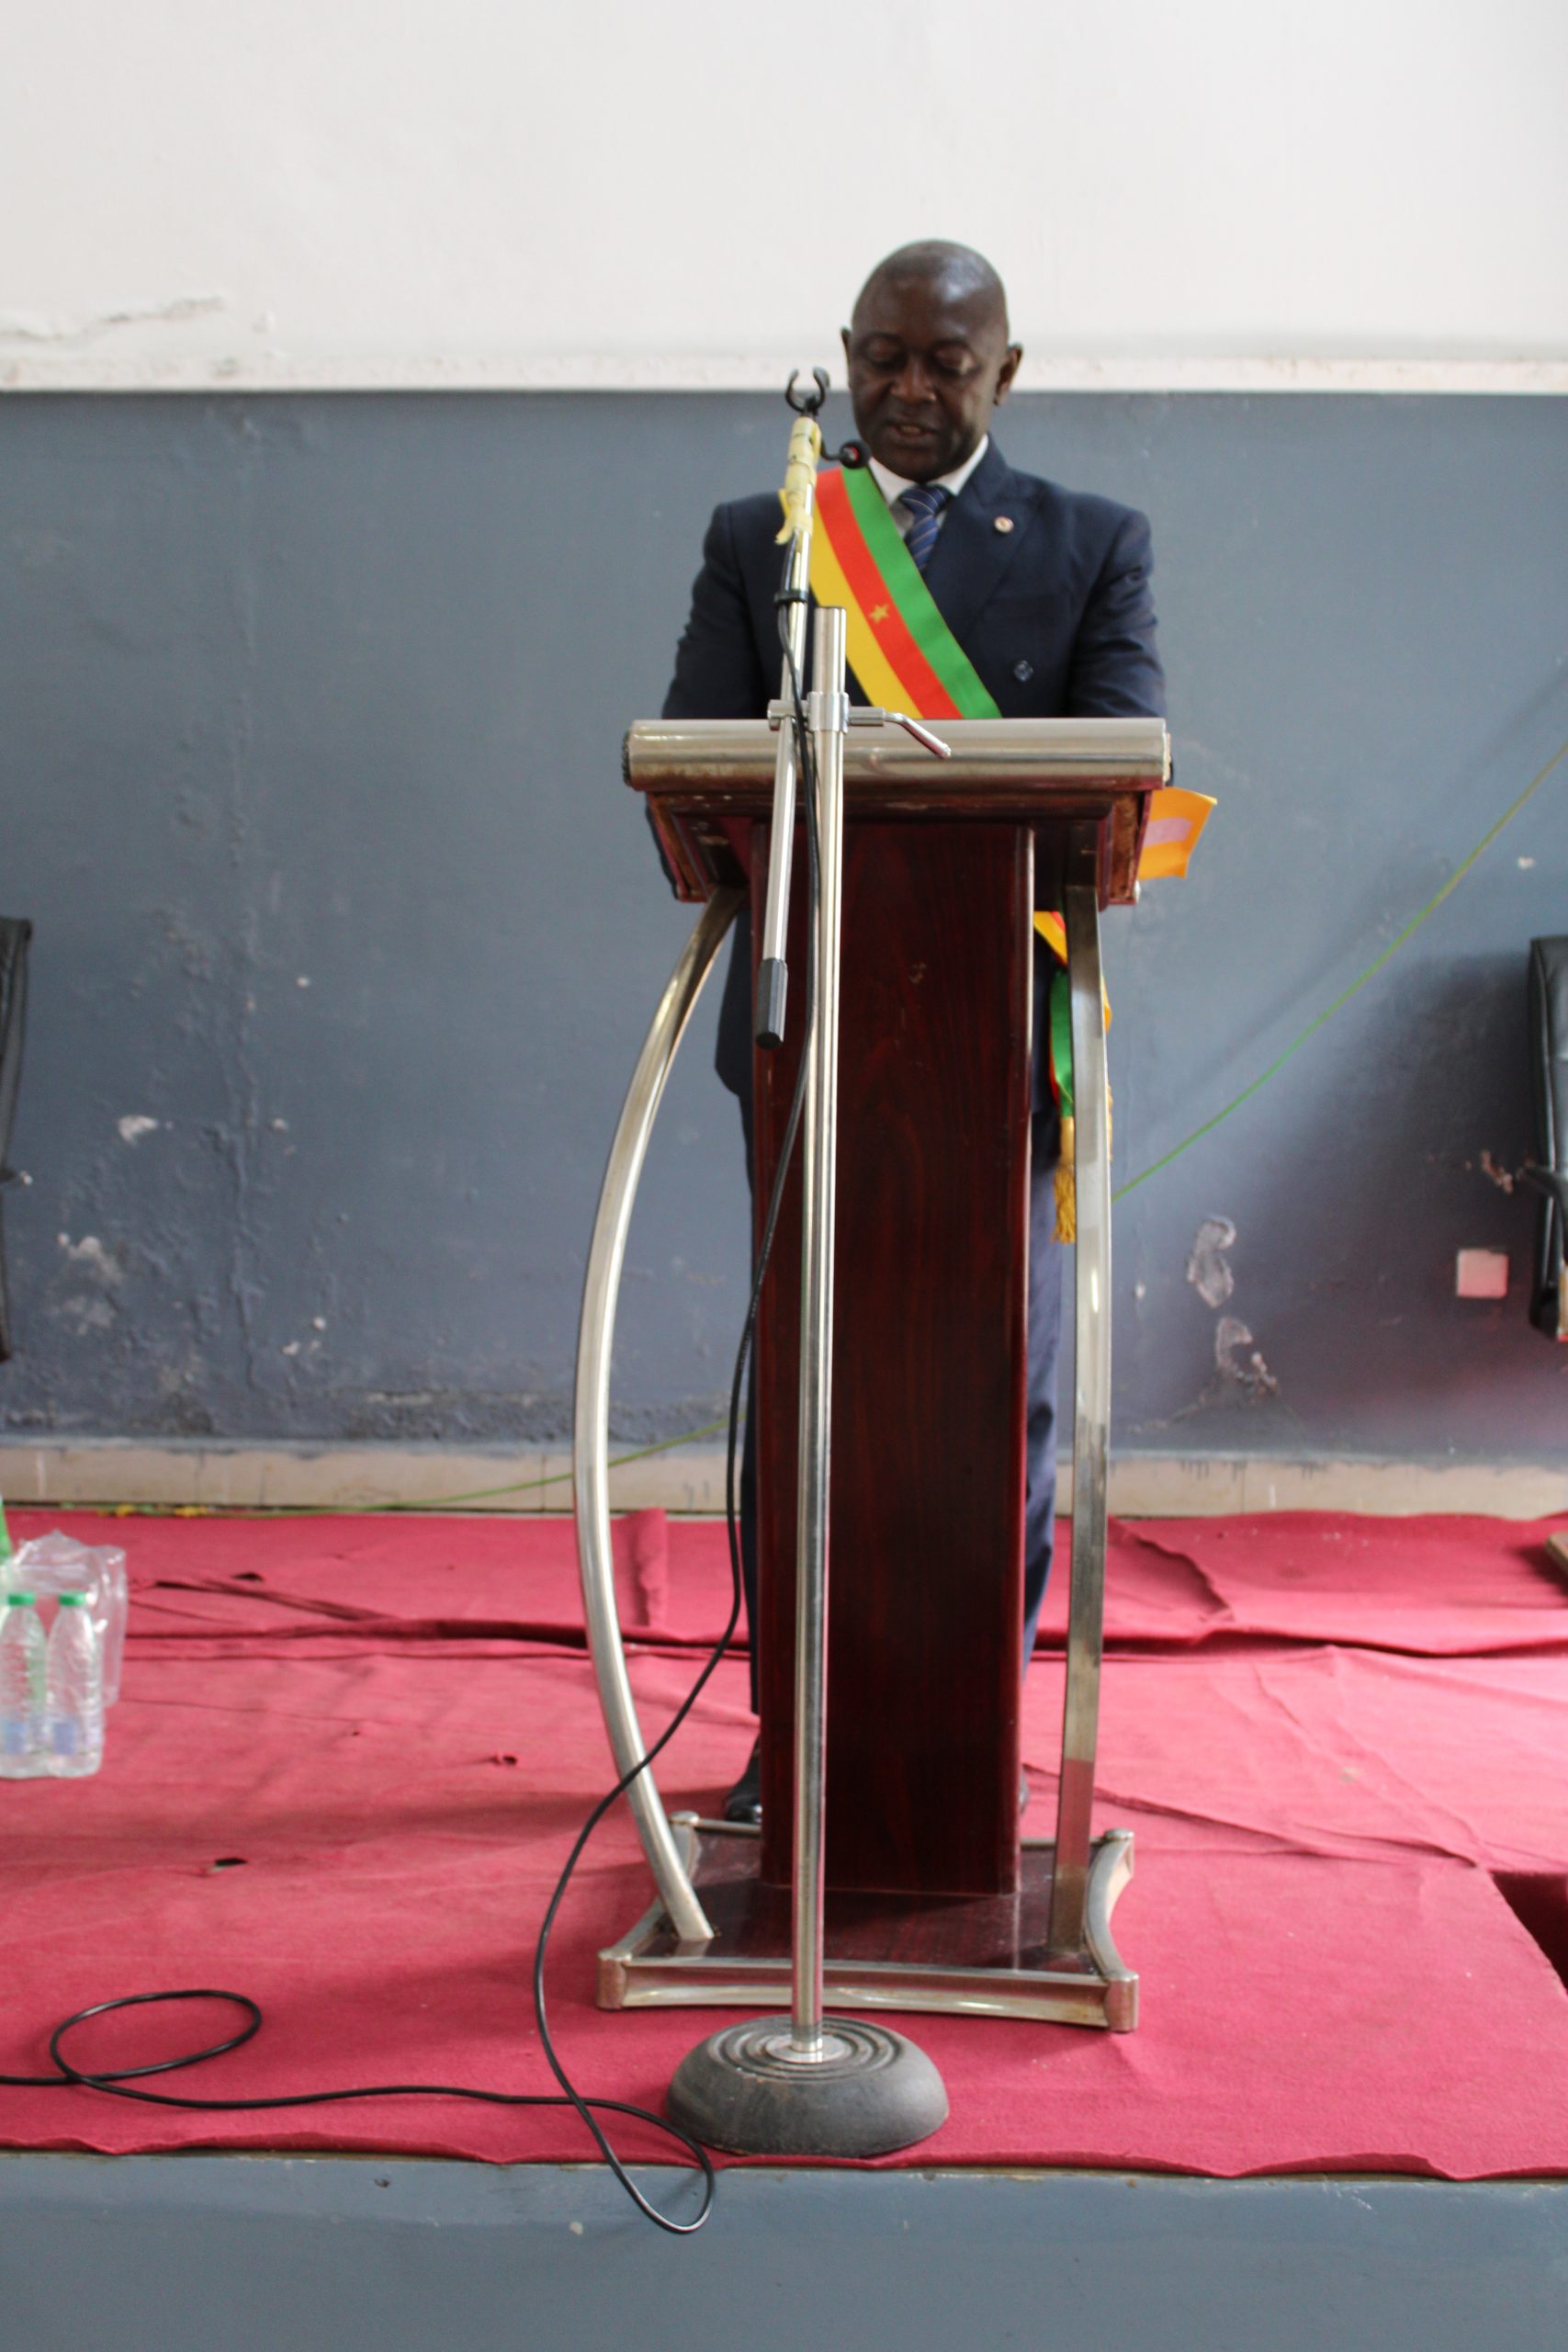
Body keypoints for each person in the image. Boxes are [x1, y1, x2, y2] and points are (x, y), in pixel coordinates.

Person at [660, 240, 1165, 1822]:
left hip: (996, 1026)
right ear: (846, 352)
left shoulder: (1093, 542)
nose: (909, 387)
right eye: (883, 355)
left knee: (996, 1392)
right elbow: (698, 756)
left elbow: (1120, 764)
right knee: (808, 1387)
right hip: (810, 1016)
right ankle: (797, 1729)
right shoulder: (769, 534)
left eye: (948, 362)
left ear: (1006, 372)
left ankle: (966, 1728)